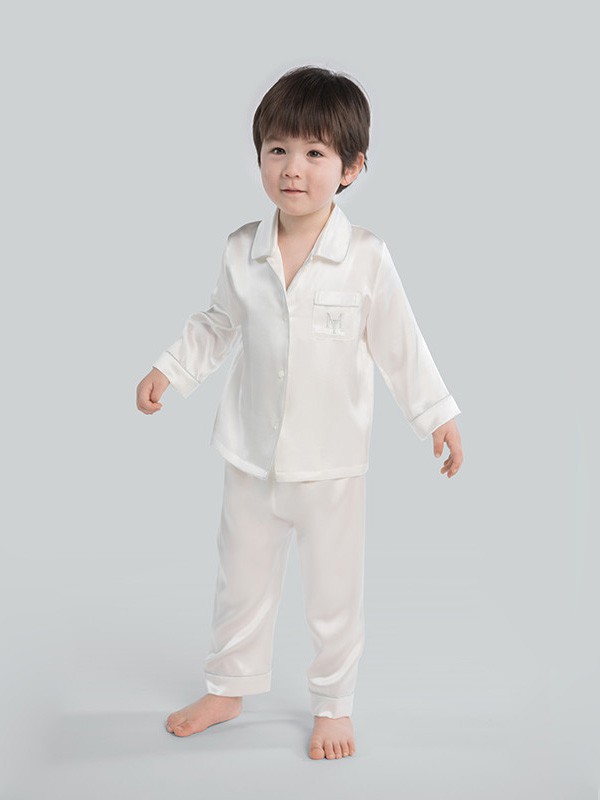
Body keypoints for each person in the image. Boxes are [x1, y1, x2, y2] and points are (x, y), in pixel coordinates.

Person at [136, 64, 464, 760]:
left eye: (316, 152)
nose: (293, 168)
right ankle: (228, 687)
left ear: (352, 167)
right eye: (278, 149)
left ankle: (334, 704)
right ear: (259, 156)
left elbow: (400, 343)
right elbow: (218, 323)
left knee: (333, 593)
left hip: (331, 462)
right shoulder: (241, 249)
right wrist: (171, 369)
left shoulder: (366, 257)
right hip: (249, 454)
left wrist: (436, 414)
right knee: (241, 581)